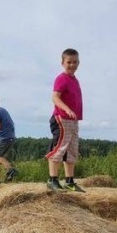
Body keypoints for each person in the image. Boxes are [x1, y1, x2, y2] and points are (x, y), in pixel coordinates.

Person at [45, 48, 85, 192]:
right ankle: (52, 180)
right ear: (62, 62)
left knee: (72, 150)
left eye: (75, 62)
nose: (72, 65)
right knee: (59, 148)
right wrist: (66, 109)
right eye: (69, 62)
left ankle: (69, 181)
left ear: (79, 63)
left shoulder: (75, 80)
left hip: (73, 121)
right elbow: (55, 97)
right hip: (61, 118)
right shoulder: (61, 78)